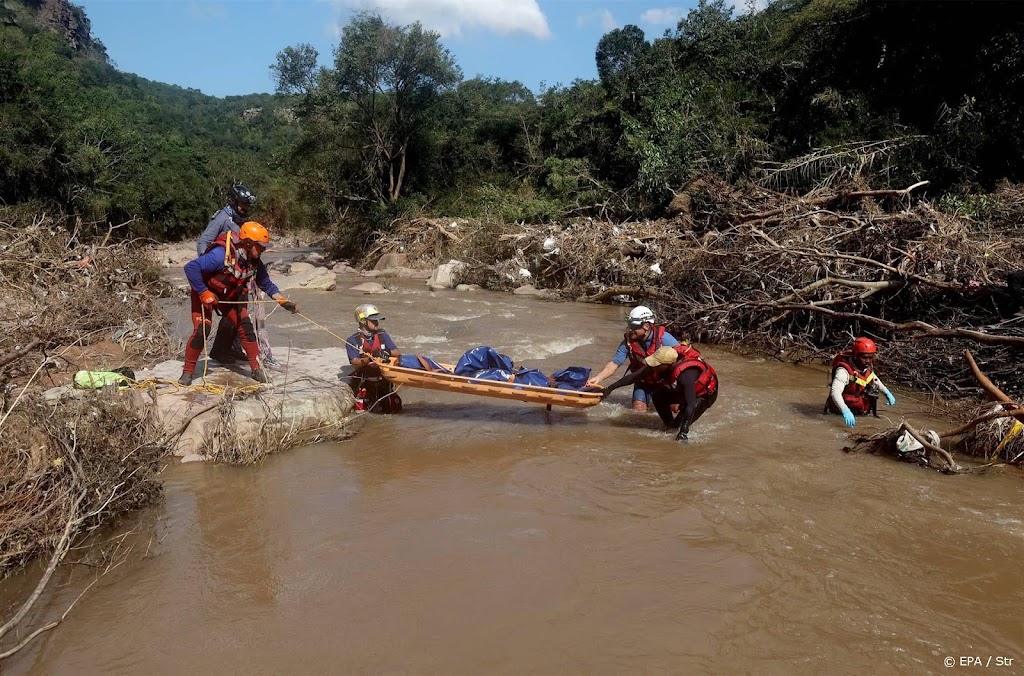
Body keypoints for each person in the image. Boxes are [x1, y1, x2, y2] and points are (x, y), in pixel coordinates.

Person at [179, 221, 297, 386]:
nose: (264, 249)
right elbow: (191, 268)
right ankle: (187, 373)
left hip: (230, 298)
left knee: (246, 329)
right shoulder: (220, 255)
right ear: (248, 243)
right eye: (261, 246)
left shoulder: (254, 261)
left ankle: (256, 370)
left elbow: (266, 284)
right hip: (205, 295)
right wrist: (203, 292)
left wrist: (283, 300)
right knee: (202, 331)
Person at [598, 344, 719, 441]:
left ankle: (679, 428)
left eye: (657, 365)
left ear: (669, 364)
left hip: (704, 395)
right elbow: (634, 377)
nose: (653, 367)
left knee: (680, 425)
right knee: (658, 396)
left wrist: (684, 431)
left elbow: (691, 404)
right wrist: (609, 389)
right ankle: (669, 424)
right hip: (685, 390)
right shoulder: (661, 364)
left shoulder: (686, 375)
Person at [196, 183, 257, 363]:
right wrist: (209, 267)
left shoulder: (242, 219)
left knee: (240, 311)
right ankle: (220, 351)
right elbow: (204, 241)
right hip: (223, 273)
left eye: (247, 204)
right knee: (233, 313)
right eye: (243, 203)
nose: (246, 207)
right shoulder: (222, 218)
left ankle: (232, 348)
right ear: (233, 201)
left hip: (240, 274)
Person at [585, 305, 682, 411]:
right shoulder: (628, 342)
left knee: (676, 409)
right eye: (629, 325)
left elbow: (683, 362)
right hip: (643, 382)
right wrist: (598, 378)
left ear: (646, 326)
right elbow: (614, 363)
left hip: (666, 382)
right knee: (637, 412)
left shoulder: (665, 339)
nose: (630, 329)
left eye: (634, 326)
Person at [824, 337, 896, 427]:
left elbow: (873, 378)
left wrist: (886, 393)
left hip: (860, 411)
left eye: (871, 358)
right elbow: (835, 392)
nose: (868, 361)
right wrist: (845, 411)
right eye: (864, 358)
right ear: (855, 355)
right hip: (840, 413)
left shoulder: (867, 367)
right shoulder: (843, 371)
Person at [345, 304, 402, 413]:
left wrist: (386, 352)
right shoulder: (352, 341)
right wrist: (368, 359)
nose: (377, 323)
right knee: (361, 411)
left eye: (377, 320)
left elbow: (397, 353)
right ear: (362, 321)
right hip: (366, 383)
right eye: (374, 321)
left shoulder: (382, 335)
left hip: (384, 380)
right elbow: (355, 362)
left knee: (394, 408)